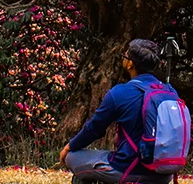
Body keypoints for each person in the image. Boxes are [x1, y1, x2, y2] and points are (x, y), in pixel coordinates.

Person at [59, 39, 180, 184]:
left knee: (72, 157)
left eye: (125, 55)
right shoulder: (169, 91)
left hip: (128, 170)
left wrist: (69, 147)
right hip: (163, 173)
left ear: (130, 64)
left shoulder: (120, 93)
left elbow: (94, 129)